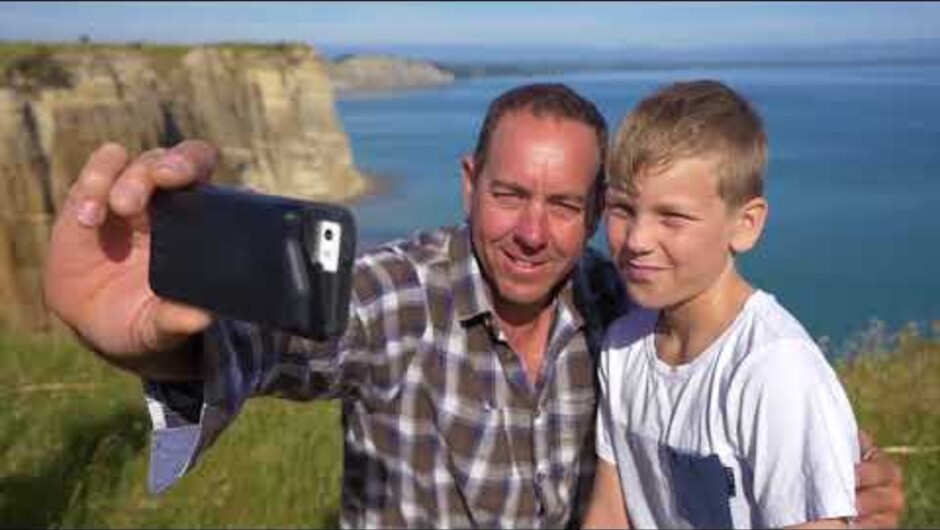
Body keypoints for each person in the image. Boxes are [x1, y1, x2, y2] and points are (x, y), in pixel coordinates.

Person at [42, 83, 904, 529]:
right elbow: (261, 344)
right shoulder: (399, 293)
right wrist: (148, 342)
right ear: (467, 182)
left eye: (565, 206)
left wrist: (833, 484)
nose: (532, 232)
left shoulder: (622, 306)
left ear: (595, 207)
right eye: (508, 194)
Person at [582, 80, 863, 529]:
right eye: (621, 209)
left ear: (746, 225)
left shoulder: (773, 371)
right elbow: (610, 512)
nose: (636, 240)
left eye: (672, 217)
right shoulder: (624, 346)